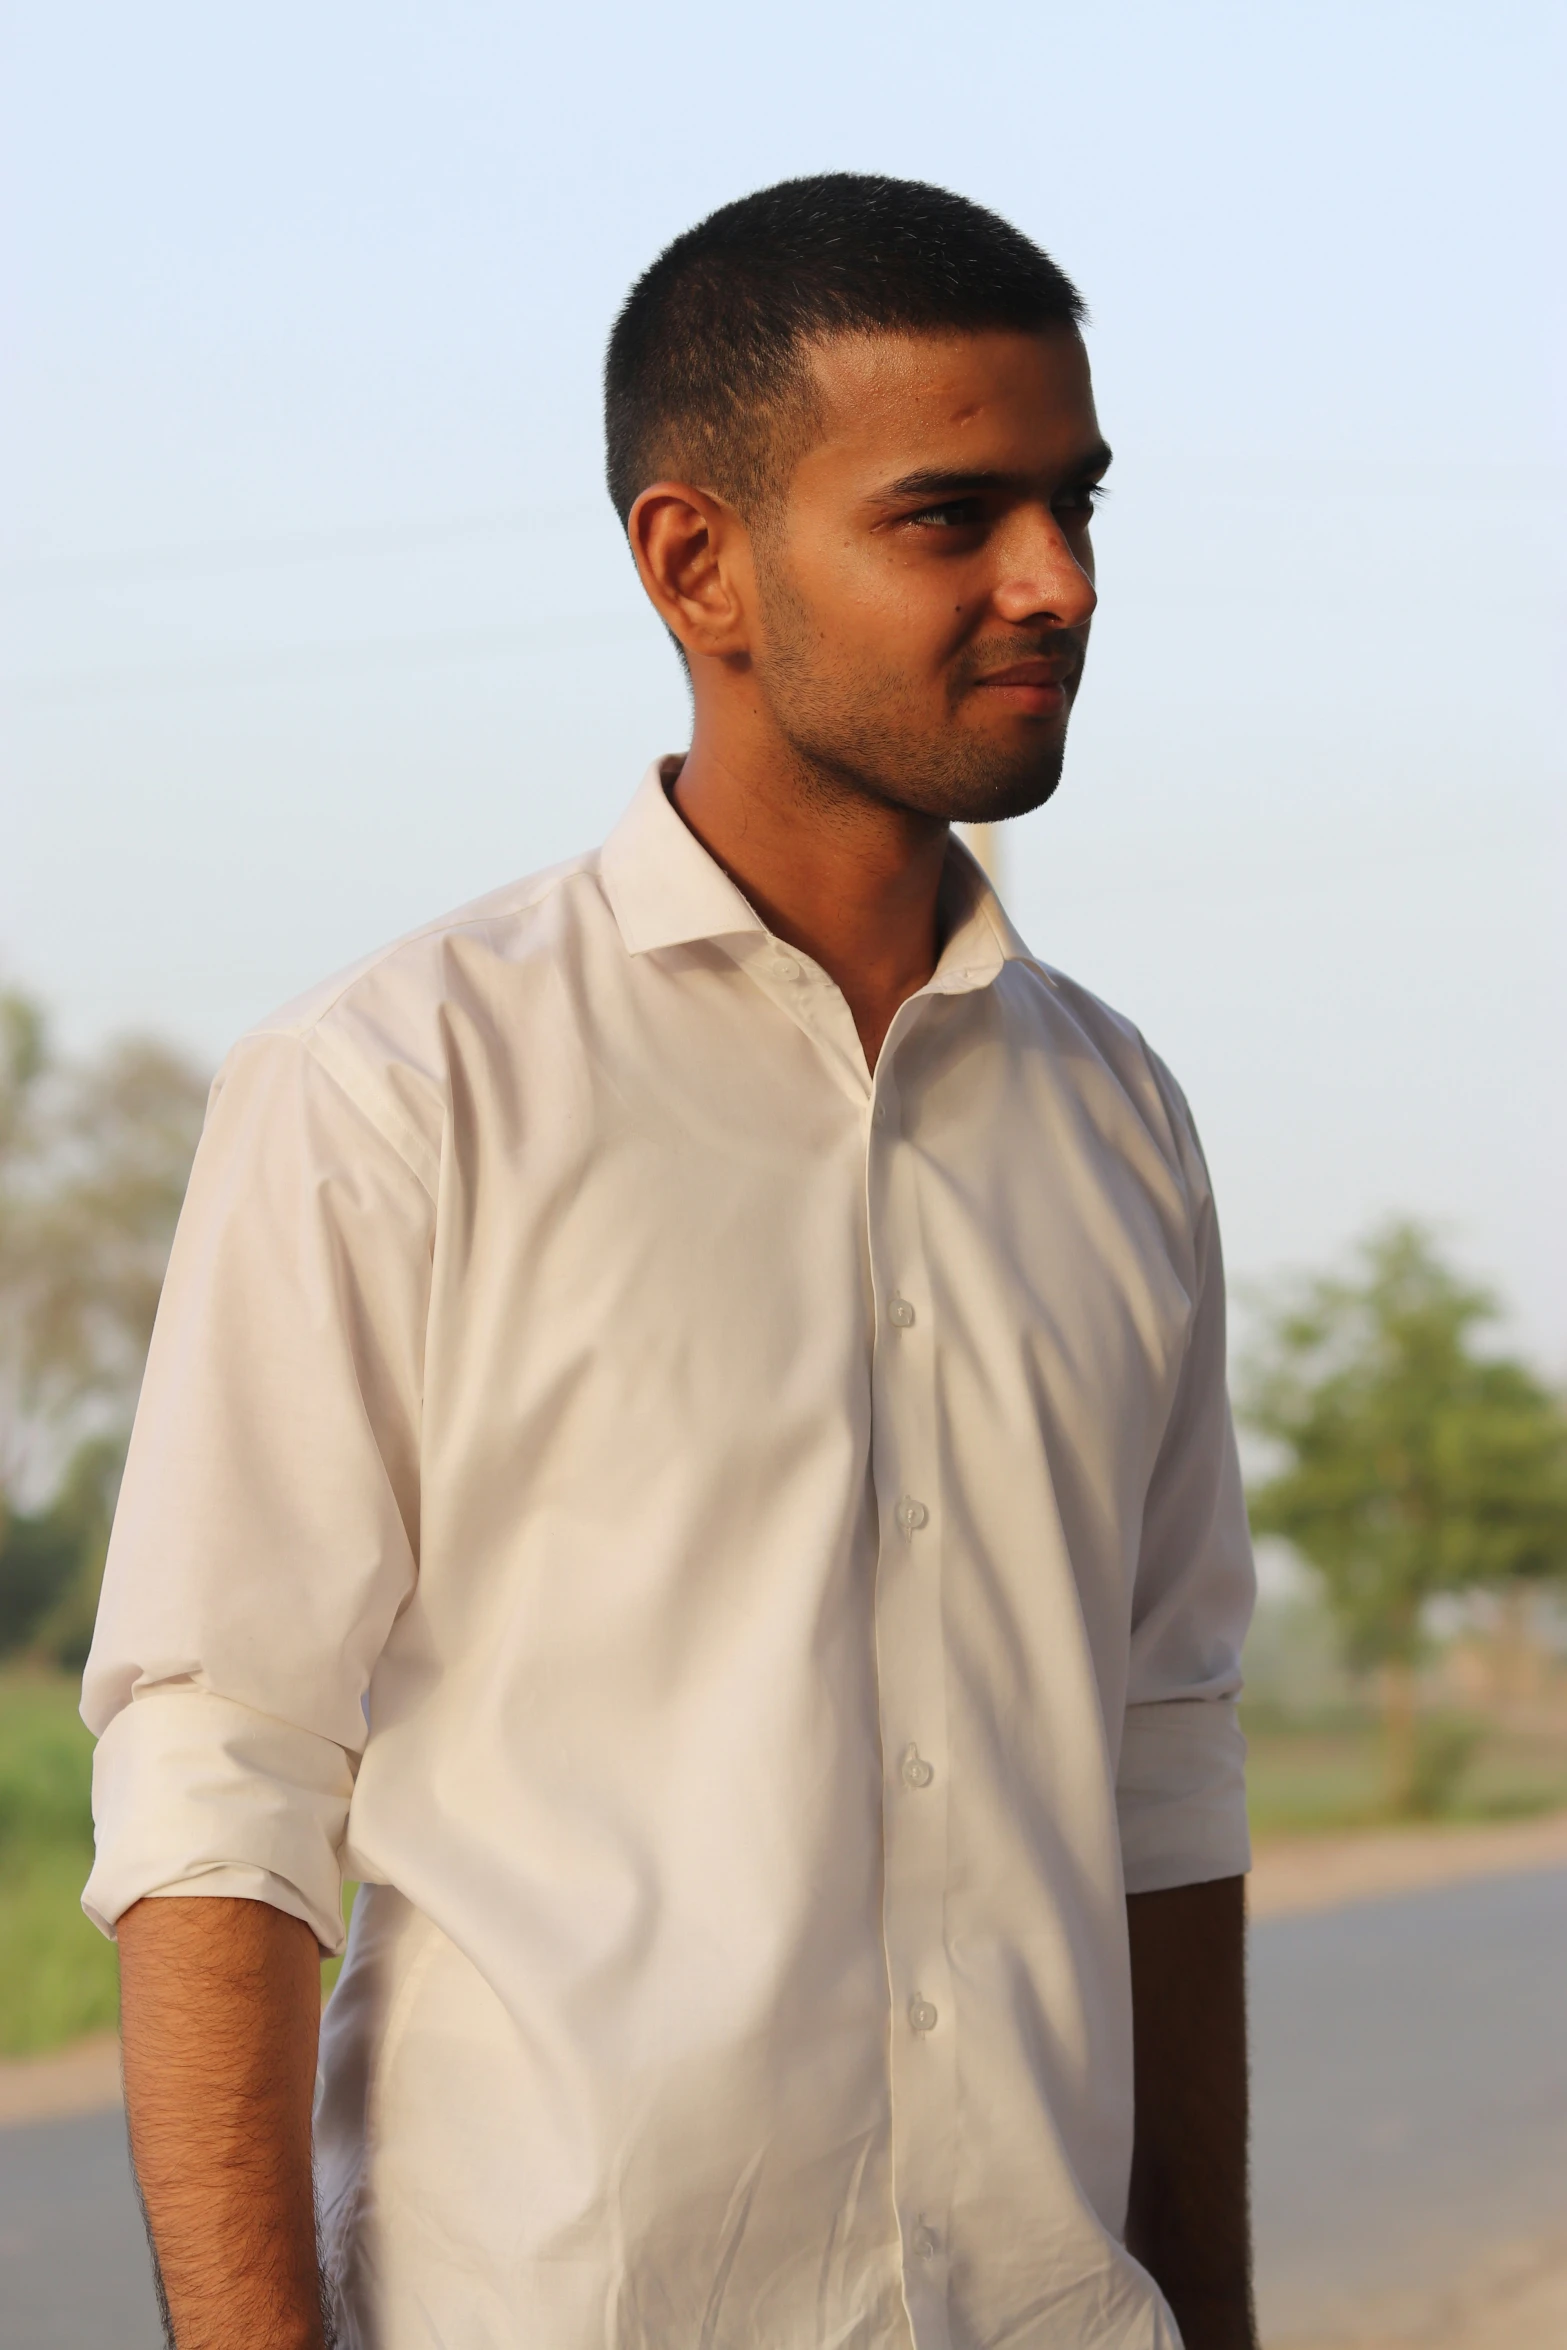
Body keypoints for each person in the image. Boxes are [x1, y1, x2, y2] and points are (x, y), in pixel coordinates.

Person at [84, 174, 1257, 2350]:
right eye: (955, 515)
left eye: (1078, 504)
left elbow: (1164, 1764)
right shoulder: (393, 1089)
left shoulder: (1124, 1127)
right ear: (694, 561)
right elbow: (220, 1776)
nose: (1056, 582)